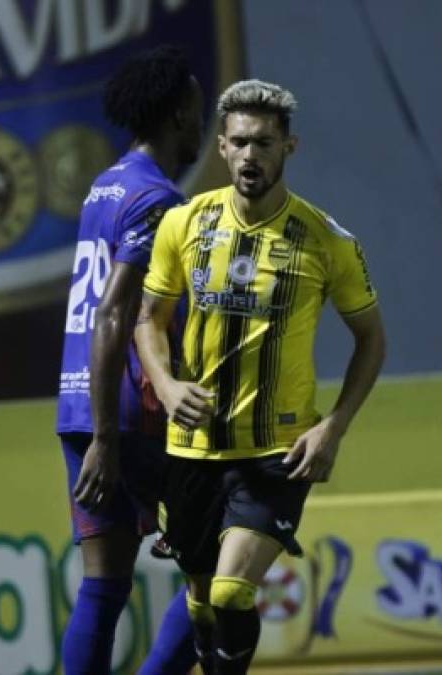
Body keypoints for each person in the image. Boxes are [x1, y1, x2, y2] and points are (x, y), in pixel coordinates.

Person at [135, 79, 386, 675]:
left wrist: (334, 428)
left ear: (289, 148)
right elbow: (149, 319)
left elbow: (371, 339)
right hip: (193, 449)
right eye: (241, 142)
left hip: (277, 451)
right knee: (200, 602)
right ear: (221, 147)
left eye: (265, 143)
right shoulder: (183, 225)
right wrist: (167, 388)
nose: (252, 155)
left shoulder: (327, 241)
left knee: (230, 593)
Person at [55, 46, 203, 675]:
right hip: (125, 412)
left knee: (105, 583)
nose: (202, 126)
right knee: (223, 566)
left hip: (77, 401)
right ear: (176, 116)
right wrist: (110, 443)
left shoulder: (106, 184)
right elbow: (115, 311)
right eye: (198, 112)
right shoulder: (156, 200)